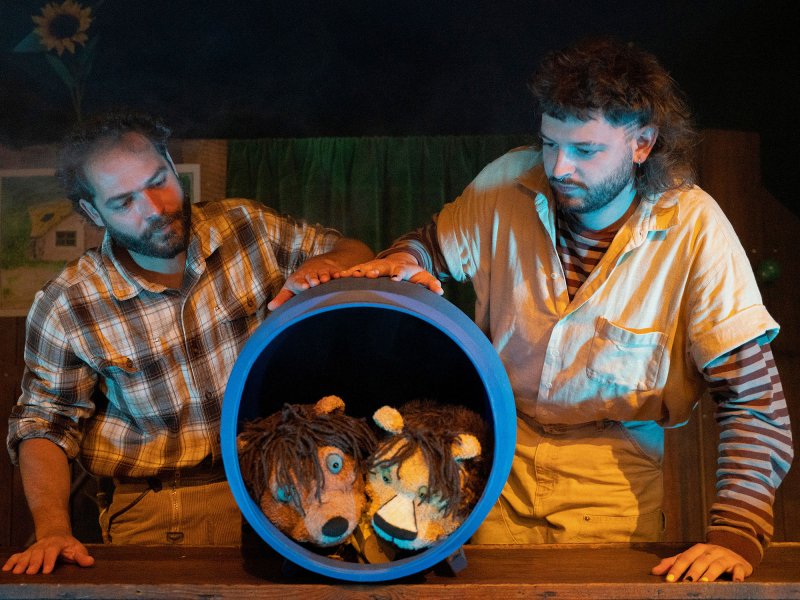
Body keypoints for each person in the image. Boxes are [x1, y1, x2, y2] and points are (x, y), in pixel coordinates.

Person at [341, 37, 793, 583]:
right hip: (497, 458)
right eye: (549, 143)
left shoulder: (695, 229)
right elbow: (428, 246)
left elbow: (754, 402)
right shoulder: (508, 181)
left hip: (613, 475)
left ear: (642, 143)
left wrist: (736, 533)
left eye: (584, 150)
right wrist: (402, 261)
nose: (558, 167)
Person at [3, 111, 373, 575]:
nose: (155, 208)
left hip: (288, 477)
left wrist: (328, 265)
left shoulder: (248, 227)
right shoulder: (67, 304)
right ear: (93, 212)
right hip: (166, 506)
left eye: (159, 181)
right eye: (124, 202)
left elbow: (353, 251)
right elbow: (43, 425)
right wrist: (54, 528)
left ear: (172, 165)